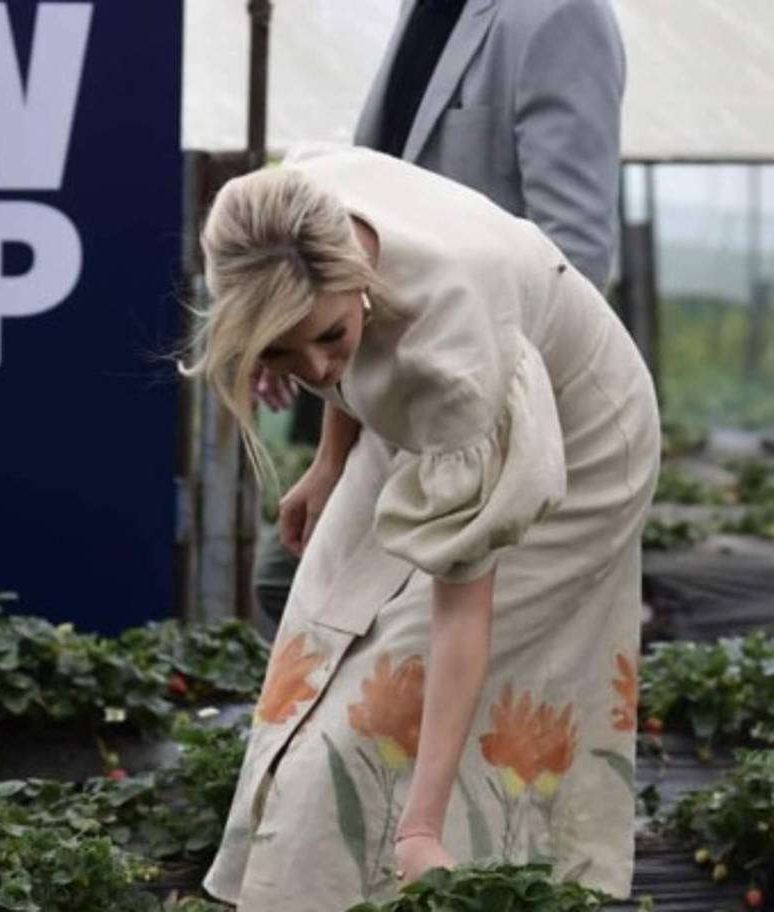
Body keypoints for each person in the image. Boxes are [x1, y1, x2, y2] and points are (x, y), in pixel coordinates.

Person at [182, 143, 658, 910]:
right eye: (281, 353)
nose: (319, 370)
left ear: (361, 284)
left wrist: (421, 826)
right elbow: (345, 362)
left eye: (328, 338)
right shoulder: (280, 215)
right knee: (319, 636)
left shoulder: (450, 350)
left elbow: (461, 613)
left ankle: (421, 865)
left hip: (579, 440)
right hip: (426, 402)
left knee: (383, 703)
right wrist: (330, 465)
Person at [252, 0, 627, 621]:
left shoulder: (560, 15)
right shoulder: (423, 10)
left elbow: (574, 263)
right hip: (399, 399)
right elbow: (363, 225)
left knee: (400, 624)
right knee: (299, 591)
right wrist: (324, 440)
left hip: (495, 410)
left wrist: (482, 446)